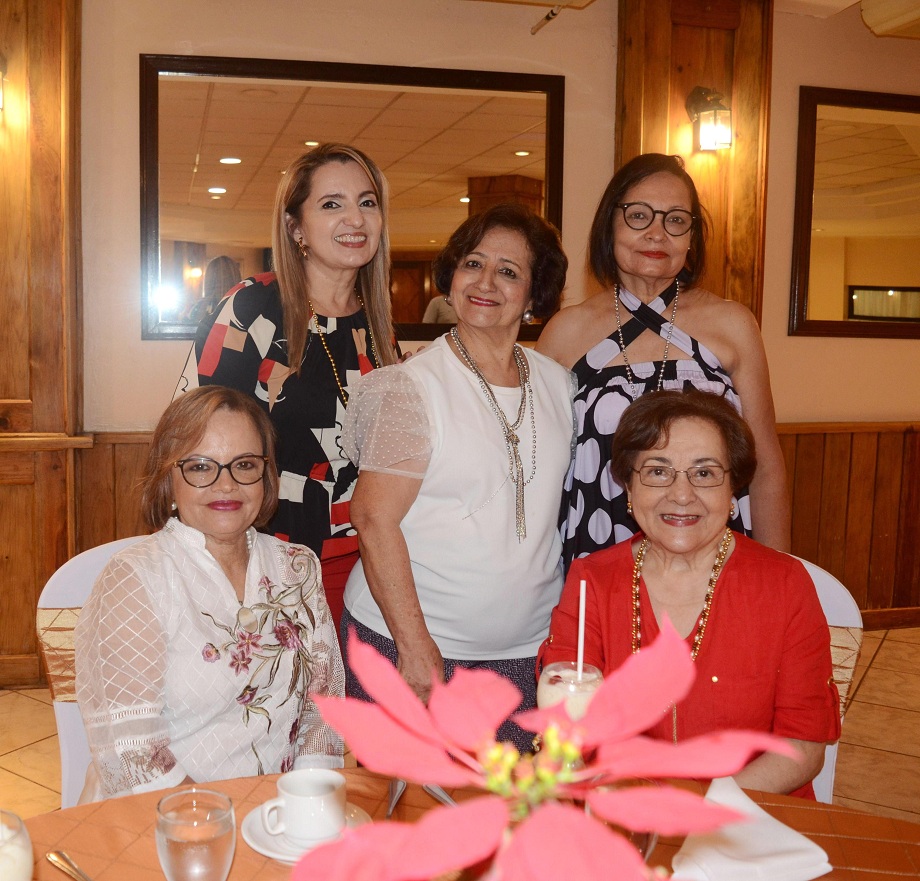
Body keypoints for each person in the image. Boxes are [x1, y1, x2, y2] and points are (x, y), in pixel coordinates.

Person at [340, 203, 573, 750]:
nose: (485, 282)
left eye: (509, 271)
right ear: (451, 276)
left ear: (536, 295)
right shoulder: (412, 388)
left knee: (514, 821)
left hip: (528, 656)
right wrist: (414, 647)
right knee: (413, 823)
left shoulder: (559, 385)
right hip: (417, 649)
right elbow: (373, 520)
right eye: (473, 263)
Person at [539, 389, 838, 799]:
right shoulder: (593, 580)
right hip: (623, 813)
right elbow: (565, 721)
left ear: (732, 489)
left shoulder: (784, 584)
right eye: (658, 471)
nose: (681, 495)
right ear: (628, 487)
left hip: (748, 820)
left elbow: (802, 747)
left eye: (704, 473)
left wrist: (695, 810)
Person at [75, 387, 344, 801]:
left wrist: (304, 807)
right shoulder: (134, 579)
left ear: (266, 474)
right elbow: (132, 753)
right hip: (162, 820)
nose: (227, 484)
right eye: (201, 467)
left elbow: (322, 714)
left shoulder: (298, 568)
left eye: (245, 465)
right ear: (168, 475)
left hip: (281, 814)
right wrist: (217, 822)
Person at [176, 144, 398, 630]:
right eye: (331, 204)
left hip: (365, 568)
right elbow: (192, 448)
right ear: (296, 227)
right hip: (263, 567)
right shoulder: (251, 307)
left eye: (367, 201)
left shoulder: (377, 328)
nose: (355, 219)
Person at [536, 153, 790, 569]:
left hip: (714, 557)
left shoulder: (733, 325)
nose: (657, 234)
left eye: (675, 220)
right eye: (639, 216)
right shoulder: (565, 333)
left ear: (692, 238)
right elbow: (537, 472)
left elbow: (767, 469)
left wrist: (779, 577)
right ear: (609, 226)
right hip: (600, 555)